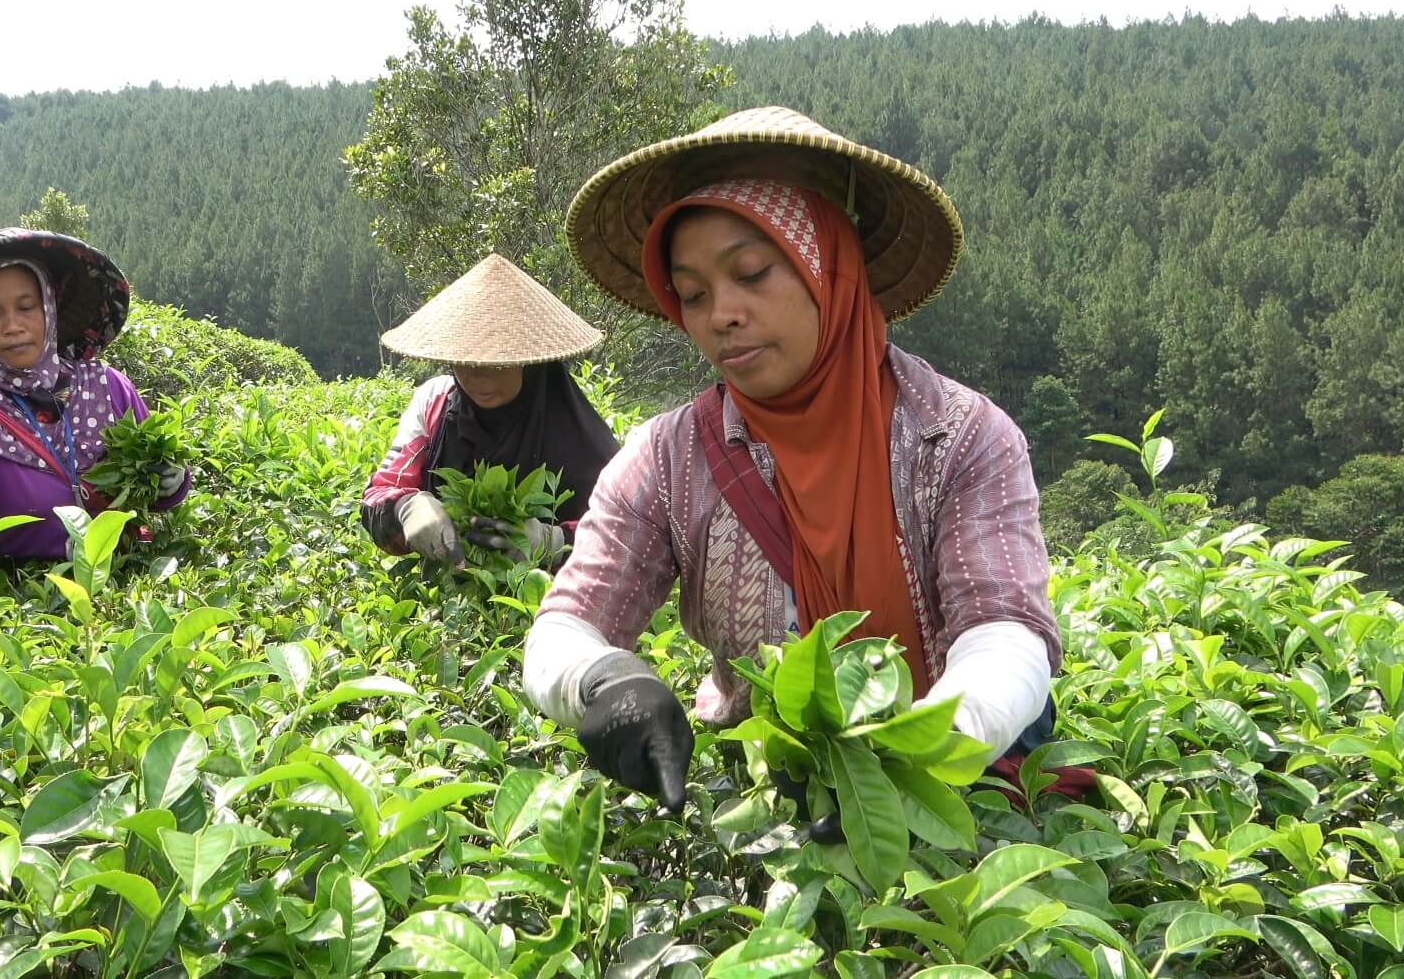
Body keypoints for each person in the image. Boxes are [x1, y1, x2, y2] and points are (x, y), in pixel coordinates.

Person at [523, 107, 1067, 814]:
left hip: (960, 792)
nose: (721, 313)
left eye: (751, 272)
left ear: (829, 269)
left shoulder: (957, 437)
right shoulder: (668, 460)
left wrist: (914, 754)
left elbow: (1006, 634)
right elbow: (566, 626)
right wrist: (601, 681)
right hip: (767, 805)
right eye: (692, 294)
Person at [0, 228, 189, 590]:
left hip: (127, 581)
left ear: (48, 307)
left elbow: (156, 486)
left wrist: (173, 481)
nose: (12, 326)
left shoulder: (106, 387)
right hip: (34, 597)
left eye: (26, 307)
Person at [361, 253, 621, 569]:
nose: (477, 378)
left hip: (553, 609)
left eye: (497, 364)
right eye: (464, 362)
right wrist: (405, 508)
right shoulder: (437, 403)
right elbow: (379, 493)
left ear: (530, 361)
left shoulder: (577, 432)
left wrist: (556, 542)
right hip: (448, 609)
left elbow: (626, 538)